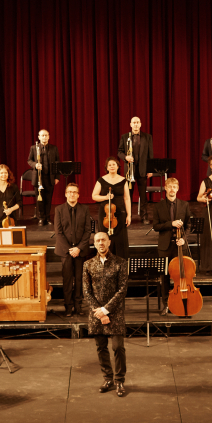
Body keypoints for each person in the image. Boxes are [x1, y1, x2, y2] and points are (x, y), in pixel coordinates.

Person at [84, 232, 128, 396]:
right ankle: (108, 378)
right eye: (97, 240)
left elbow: (122, 290)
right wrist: (99, 312)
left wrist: (106, 309)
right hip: (96, 312)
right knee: (101, 347)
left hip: (115, 311)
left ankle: (119, 381)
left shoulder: (120, 263)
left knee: (118, 347)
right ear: (94, 244)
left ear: (109, 242)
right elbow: (87, 292)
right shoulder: (88, 264)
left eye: (103, 240)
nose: (100, 243)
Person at [54, 183, 93, 317]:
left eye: (74, 192)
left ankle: (78, 305)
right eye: (69, 192)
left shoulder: (85, 209)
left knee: (80, 279)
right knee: (68, 279)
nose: (72, 194)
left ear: (78, 195)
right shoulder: (59, 210)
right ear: (65, 194)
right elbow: (58, 233)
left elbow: (88, 231)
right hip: (65, 251)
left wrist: (79, 248)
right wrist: (70, 249)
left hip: (80, 251)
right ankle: (68, 306)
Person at [154, 177, 192, 315]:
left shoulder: (184, 205)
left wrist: (184, 238)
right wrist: (171, 223)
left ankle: (182, 303)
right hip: (164, 247)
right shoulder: (158, 206)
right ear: (165, 188)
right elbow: (156, 226)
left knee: (181, 276)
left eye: (174, 187)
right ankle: (166, 304)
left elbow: (188, 225)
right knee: (164, 277)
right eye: (169, 186)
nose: (171, 189)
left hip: (180, 246)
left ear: (177, 189)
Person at [91, 157, 131, 260]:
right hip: (105, 214)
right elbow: (94, 196)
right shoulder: (101, 180)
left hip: (120, 214)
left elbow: (126, 198)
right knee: (105, 237)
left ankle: (121, 264)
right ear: (107, 167)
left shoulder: (123, 180)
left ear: (118, 166)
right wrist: (105, 197)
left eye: (114, 164)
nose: (112, 166)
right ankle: (105, 262)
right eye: (110, 165)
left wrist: (129, 215)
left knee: (119, 239)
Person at [118, 116, 154, 222]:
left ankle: (144, 217)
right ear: (130, 124)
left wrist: (150, 169)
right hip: (130, 170)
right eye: (134, 122)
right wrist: (126, 157)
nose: (136, 124)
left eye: (138, 122)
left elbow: (150, 154)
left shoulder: (147, 137)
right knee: (128, 194)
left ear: (140, 124)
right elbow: (119, 152)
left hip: (142, 169)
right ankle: (127, 216)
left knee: (143, 195)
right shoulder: (125, 137)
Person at [27, 130, 60, 227]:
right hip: (38, 178)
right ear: (39, 137)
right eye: (42, 135)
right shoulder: (34, 148)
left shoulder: (54, 148)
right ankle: (41, 218)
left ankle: (48, 217)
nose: (44, 137)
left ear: (49, 137)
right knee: (40, 200)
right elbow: (29, 160)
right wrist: (35, 165)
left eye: (46, 135)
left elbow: (57, 162)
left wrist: (57, 177)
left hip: (50, 178)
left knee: (48, 199)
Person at [0, 164, 22, 228]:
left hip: (10, 221)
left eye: (5, 173)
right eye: (1, 173)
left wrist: (11, 209)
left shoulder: (13, 187)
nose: (4, 175)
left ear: (8, 174)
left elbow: (19, 203)